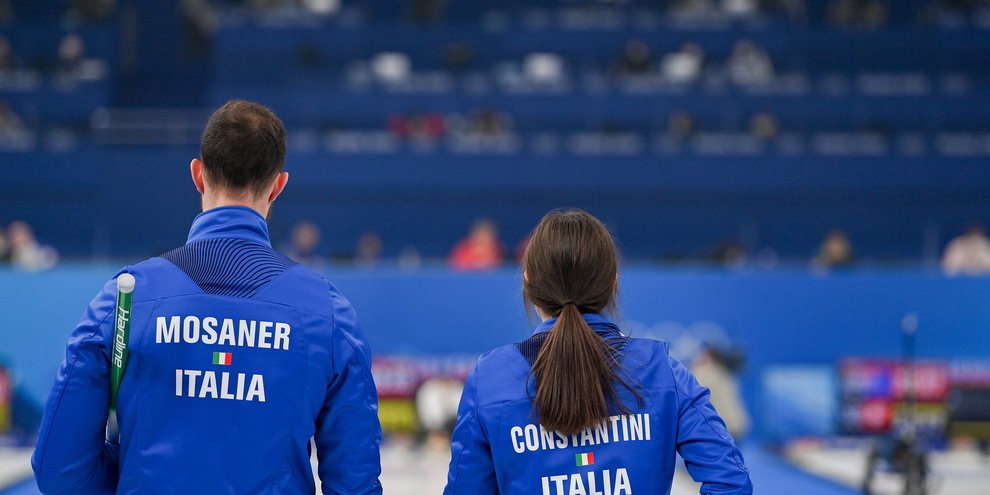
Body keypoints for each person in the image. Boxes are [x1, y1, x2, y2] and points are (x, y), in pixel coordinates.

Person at [32, 100, 383, 494]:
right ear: (278, 185)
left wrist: (134, 475)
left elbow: (59, 471)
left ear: (198, 175)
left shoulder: (125, 299)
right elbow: (355, 484)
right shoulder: (328, 314)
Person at [443, 209, 753, 495]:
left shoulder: (491, 379)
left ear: (528, 282)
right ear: (613, 283)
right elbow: (732, 483)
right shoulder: (662, 371)